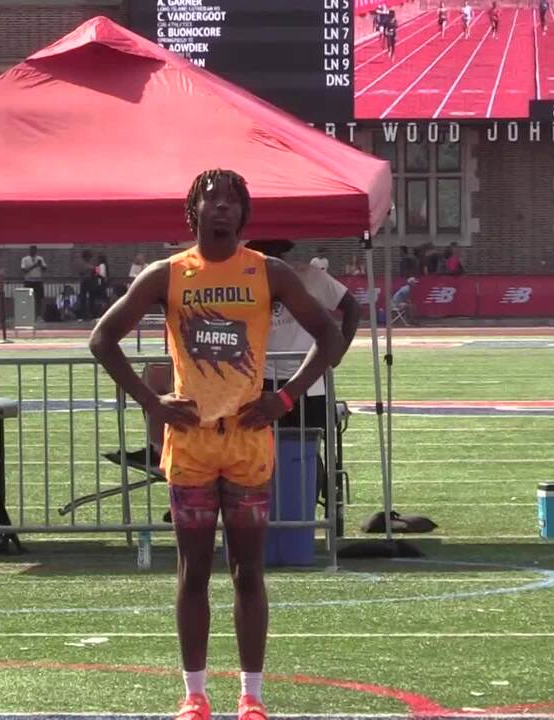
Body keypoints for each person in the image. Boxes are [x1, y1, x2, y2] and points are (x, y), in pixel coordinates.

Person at [89, 169, 339, 720]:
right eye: (211, 198)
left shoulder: (268, 272)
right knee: (193, 572)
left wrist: (286, 396)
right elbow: (102, 339)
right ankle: (194, 694)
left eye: (232, 200)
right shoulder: (168, 273)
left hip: (248, 443)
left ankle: (252, 695)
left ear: (244, 214)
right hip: (191, 445)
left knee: (249, 573)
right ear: (193, 211)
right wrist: (151, 403)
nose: (222, 206)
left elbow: (331, 334)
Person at [248, 239, 360, 536]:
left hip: (309, 380)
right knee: (258, 451)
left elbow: (351, 306)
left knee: (308, 451)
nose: (269, 256)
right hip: (260, 380)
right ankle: (267, 519)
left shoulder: (310, 276)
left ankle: (306, 517)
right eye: (262, 251)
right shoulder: (243, 278)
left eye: (273, 251)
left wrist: (337, 352)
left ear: (283, 252)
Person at [21, 245, 48, 319]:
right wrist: (35, 265)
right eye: (31, 250)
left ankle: (39, 316)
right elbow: (24, 270)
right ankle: (28, 315)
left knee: (39, 299)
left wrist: (41, 265)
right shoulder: (25, 259)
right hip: (29, 282)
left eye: (34, 250)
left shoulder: (40, 258)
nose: (33, 251)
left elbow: (45, 269)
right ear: (29, 251)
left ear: (36, 251)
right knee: (28, 299)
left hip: (38, 282)